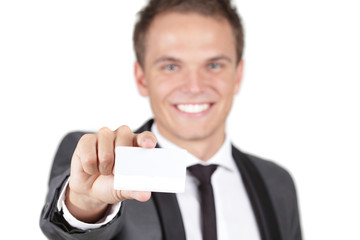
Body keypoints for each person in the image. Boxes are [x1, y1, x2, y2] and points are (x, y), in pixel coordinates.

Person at [40, 0, 302, 239]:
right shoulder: (104, 163)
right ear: (142, 78)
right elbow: (70, 229)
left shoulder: (276, 182)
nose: (194, 86)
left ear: (238, 75)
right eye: (171, 66)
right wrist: (84, 205)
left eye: (213, 65)